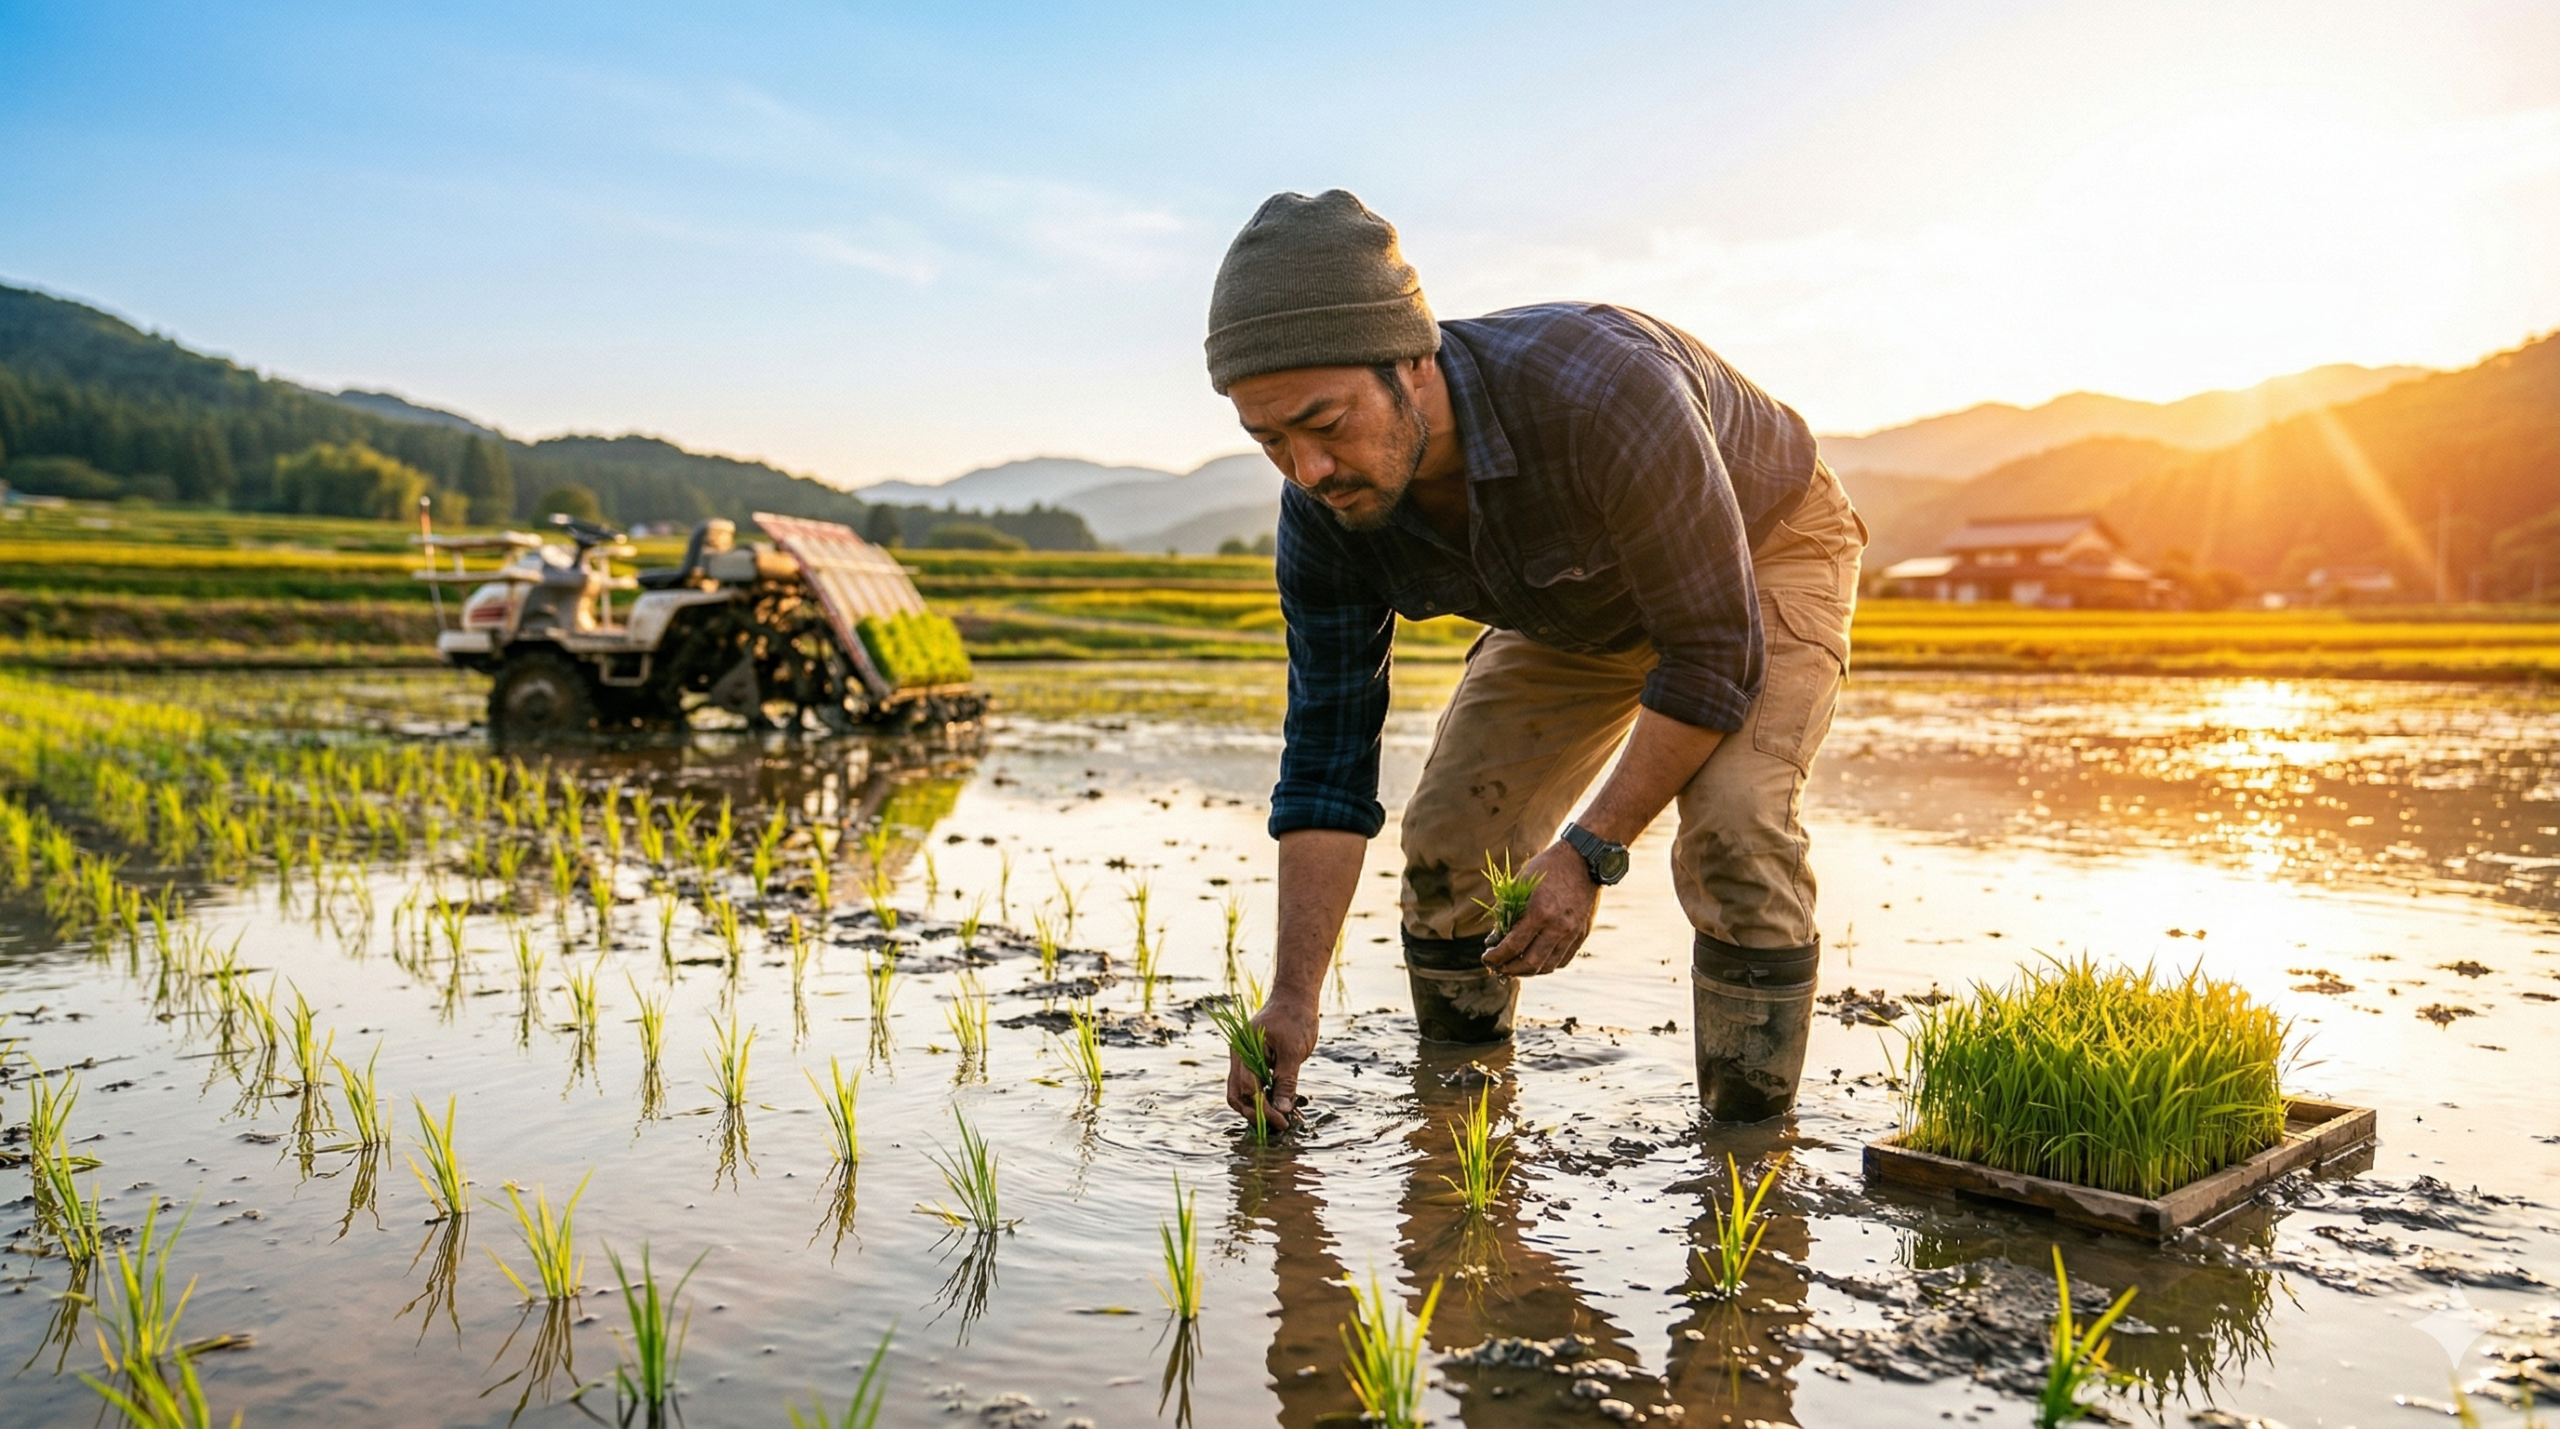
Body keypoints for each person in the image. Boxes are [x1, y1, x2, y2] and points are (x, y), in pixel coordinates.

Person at [1209, 190, 1865, 1127]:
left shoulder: (1603, 390)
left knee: (1733, 825)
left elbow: (1710, 652)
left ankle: (1748, 1156)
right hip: (1575, 593)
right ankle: (1461, 1132)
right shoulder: (1326, 514)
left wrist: (1589, 853)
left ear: (1412, 359)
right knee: (1449, 843)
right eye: (1270, 440)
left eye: (1325, 422)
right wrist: (1294, 997)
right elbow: (1326, 759)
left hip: (1763, 549)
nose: (1308, 469)